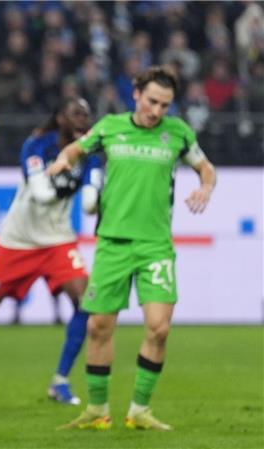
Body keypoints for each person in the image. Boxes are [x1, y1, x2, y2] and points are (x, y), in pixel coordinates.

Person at [50, 66, 216, 431]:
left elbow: (206, 168)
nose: (157, 111)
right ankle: (97, 410)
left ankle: (139, 409)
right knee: (98, 326)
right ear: (136, 94)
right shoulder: (111, 126)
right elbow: (77, 148)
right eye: (153, 101)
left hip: (156, 246)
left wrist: (205, 187)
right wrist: (65, 159)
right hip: (112, 244)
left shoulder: (178, 133)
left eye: (165, 105)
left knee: (159, 329)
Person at [0, 98, 102, 407]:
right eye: (76, 114)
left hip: (58, 239)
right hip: (19, 240)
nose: (83, 119)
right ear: (60, 117)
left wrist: (94, 188)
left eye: (87, 114)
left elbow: (89, 202)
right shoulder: (37, 144)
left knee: (86, 304)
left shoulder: (89, 153)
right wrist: (64, 169)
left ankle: (61, 381)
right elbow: (40, 195)